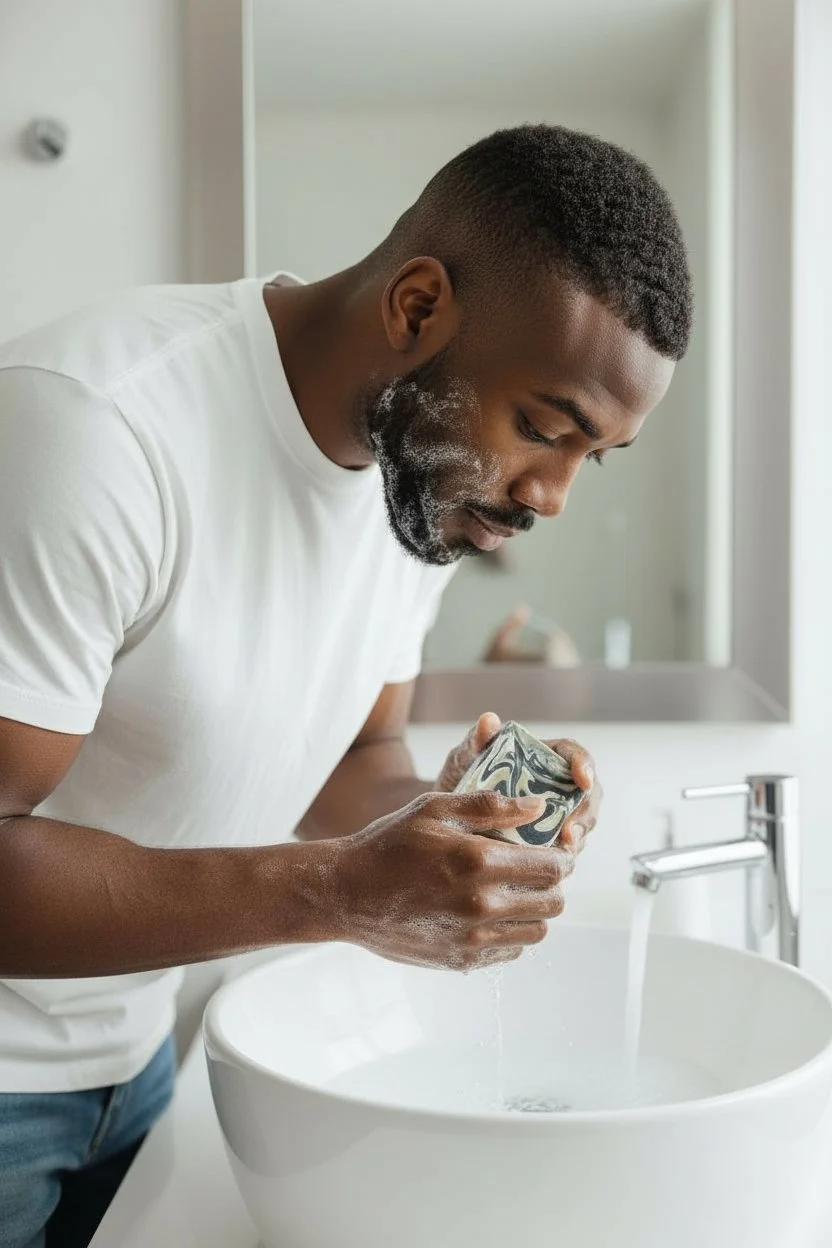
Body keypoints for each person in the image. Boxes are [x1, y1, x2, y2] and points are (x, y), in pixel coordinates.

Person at [0, 122, 691, 1247]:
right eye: (543, 429)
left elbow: (355, 759)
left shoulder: (415, 477)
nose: (553, 497)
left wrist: (445, 827)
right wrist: (339, 893)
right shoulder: (95, 428)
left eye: (589, 457)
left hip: (142, 1062)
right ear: (417, 308)